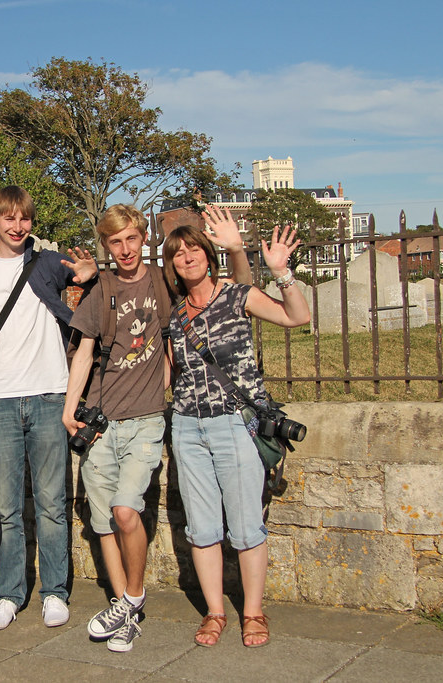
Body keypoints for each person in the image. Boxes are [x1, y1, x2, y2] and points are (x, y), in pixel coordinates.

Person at [63, 204, 251, 652]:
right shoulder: (101, 288)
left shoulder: (162, 281)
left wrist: (235, 250)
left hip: (145, 420)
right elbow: (84, 352)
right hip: (101, 422)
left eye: (132, 239)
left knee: (126, 511)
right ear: (106, 246)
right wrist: (70, 410)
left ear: (143, 238)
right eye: (115, 242)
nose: (125, 249)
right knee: (103, 523)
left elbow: (229, 296)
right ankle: (125, 613)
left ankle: (133, 597)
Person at [163, 206, 309, 649]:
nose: (187, 257)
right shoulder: (174, 316)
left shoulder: (235, 295)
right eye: (178, 253)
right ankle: (214, 612)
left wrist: (281, 273)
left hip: (235, 424)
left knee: (246, 527)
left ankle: (253, 612)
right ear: (171, 265)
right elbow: (169, 376)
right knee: (202, 528)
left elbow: (296, 317)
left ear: (208, 255)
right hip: (188, 427)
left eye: (194, 249)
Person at [0, 186, 97, 630]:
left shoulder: (48, 263)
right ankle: (9, 593)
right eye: (9, 218)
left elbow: (88, 283)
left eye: (24, 219)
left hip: (50, 395)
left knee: (53, 503)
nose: (17, 227)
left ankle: (54, 592)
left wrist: (91, 273)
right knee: (7, 507)